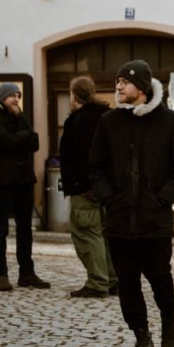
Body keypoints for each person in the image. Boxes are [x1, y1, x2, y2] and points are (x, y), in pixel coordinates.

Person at [88, 60, 174, 347]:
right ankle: (142, 340)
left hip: (154, 220)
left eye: (124, 81)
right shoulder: (109, 122)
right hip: (119, 221)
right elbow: (95, 168)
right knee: (128, 283)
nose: (118, 86)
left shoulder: (170, 122)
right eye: (117, 81)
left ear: (143, 87)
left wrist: (161, 199)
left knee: (160, 279)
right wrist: (109, 198)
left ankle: (169, 316)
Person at [0, 82, 49, 292]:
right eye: (13, 96)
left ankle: (26, 273)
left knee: (24, 229)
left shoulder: (19, 114)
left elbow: (35, 142)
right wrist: (22, 137)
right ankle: (0, 274)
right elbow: (4, 142)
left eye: (18, 96)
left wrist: (20, 138)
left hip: (23, 179)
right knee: (0, 228)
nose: (16, 100)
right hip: (3, 179)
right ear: (3, 97)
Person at [60, 76, 118, 298]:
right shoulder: (107, 116)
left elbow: (82, 157)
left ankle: (97, 282)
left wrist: (84, 184)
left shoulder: (78, 121)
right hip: (104, 189)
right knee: (103, 235)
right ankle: (112, 280)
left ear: (74, 95)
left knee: (86, 234)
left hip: (84, 188)